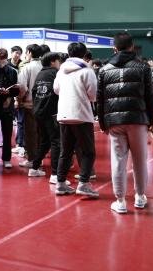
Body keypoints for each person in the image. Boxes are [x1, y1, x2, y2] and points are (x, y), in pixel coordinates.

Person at [97, 32, 153, 214]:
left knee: (118, 161)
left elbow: (100, 100)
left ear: (114, 49)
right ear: (132, 47)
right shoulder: (143, 67)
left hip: (115, 122)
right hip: (138, 120)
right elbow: (151, 96)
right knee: (140, 160)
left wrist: (103, 123)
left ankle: (120, 201)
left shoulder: (104, 70)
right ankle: (140, 197)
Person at [53, 42, 98, 196]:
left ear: (68, 53)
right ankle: (84, 184)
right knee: (88, 151)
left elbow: (56, 90)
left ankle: (60, 184)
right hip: (82, 115)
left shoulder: (61, 70)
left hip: (64, 114)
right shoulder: (87, 70)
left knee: (65, 152)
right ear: (84, 54)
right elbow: (93, 95)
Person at [28, 52, 63, 184]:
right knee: (56, 142)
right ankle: (55, 174)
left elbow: (34, 92)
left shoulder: (40, 74)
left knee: (45, 141)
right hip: (51, 113)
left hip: (38, 113)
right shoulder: (56, 73)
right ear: (52, 62)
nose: (59, 64)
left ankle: (34, 168)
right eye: (58, 61)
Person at [0, 48, 19, 169]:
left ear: (7, 59)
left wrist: (9, 94)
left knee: (7, 134)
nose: (1, 64)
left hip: (7, 105)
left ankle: (6, 159)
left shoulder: (12, 71)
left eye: (3, 62)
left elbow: (16, 89)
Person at [17, 44, 44, 167]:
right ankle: (39, 158)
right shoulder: (44, 67)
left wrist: (21, 98)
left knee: (30, 132)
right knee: (40, 132)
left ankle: (32, 159)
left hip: (30, 103)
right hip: (43, 104)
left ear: (29, 53)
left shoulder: (27, 67)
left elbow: (22, 86)